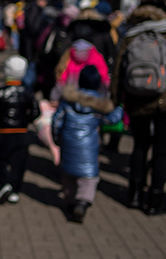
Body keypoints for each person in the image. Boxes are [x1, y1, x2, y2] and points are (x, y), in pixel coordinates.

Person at [110, 3, 166, 216]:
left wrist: (116, 98)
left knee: (139, 146)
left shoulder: (130, 36)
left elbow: (118, 70)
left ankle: (134, 195)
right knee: (161, 152)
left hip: (137, 99)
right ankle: (155, 200)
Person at [52, 66, 123, 223]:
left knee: (68, 174)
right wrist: (119, 106)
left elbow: (56, 121)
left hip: (68, 144)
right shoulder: (99, 105)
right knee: (88, 178)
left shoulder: (68, 102)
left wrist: (57, 139)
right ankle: (82, 202)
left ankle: (70, 201)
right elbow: (112, 119)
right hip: (89, 147)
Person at [0, 55, 40, 204]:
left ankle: (5, 182)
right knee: (19, 163)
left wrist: (0, 122)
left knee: (0, 159)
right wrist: (25, 122)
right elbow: (36, 112)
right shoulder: (27, 92)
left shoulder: (0, 92)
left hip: (4, 133)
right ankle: (14, 190)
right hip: (22, 133)